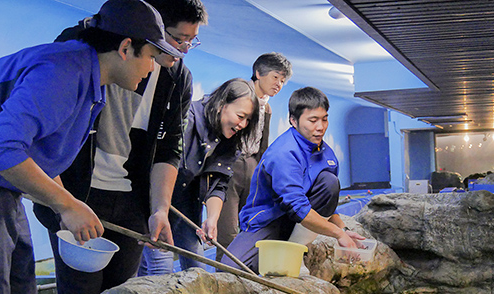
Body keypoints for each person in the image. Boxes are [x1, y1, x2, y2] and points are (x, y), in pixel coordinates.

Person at [0, 0, 184, 294]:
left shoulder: (92, 82)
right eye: (151, 56)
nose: (152, 67)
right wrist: (67, 204)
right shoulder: (62, 70)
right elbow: (3, 149)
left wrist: (63, 203)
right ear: (125, 48)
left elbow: (40, 152)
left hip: (5, 188)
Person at [32, 0, 207, 294]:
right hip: (77, 192)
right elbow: (32, 143)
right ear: (136, 38)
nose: (182, 50)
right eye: (176, 39)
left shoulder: (177, 76)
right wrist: (63, 202)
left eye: (190, 42)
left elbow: (169, 148)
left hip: (131, 200)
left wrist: (160, 209)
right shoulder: (78, 51)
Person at [220, 87, 364, 274]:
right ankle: (279, 253)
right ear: (293, 121)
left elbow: (326, 199)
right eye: (312, 120)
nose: (320, 127)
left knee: (330, 182)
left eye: (324, 119)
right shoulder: (285, 153)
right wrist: (338, 234)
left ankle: (296, 250)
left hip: (300, 223)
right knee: (231, 269)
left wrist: (343, 228)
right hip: (269, 221)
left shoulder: (326, 154)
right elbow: (297, 207)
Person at [139, 78, 259, 274]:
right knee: (160, 267)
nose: (243, 124)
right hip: (156, 198)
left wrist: (212, 218)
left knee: (197, 270)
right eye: (240, 116)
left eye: (248, 120)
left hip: (186, 203)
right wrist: (158, 209)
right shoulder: (187, 119)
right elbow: (162, 163)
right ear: (222, 104)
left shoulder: (230, 139)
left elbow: (218, 183)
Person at [215, 52, 292, 261]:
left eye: (283, 81)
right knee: (227, 230)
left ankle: (246, 275)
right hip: (229, 164)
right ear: (258, 73)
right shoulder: (239, 95)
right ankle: (224, 277)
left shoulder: (266, 107)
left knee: (251, 225)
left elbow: (262, 146)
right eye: (275, 77)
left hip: (251, 167)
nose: (279, 84)